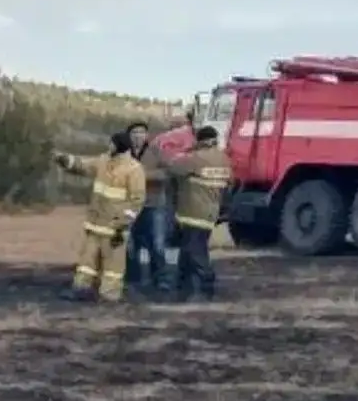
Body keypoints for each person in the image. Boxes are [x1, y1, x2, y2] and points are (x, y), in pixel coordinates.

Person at [56, 131, 146, 304]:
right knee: (87, 262)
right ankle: (81, 288)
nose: (109, 146)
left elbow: (137, 201)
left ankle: (109, 295)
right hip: (95, 224)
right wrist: (66, 161)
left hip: (114, 228)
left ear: (119, 146)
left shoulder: (134, 169)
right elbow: (83, 165)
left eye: (112, 143)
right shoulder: (103, 161)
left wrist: (123, 225)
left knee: (113, 266)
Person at [160, 124, 234, 301]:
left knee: (195, 251)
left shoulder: (195, 158)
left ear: (199, 141)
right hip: (211, 212)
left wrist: (185, 151)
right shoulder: (224, 159)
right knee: (187, 251)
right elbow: (230, 183)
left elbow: (172, 168)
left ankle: (206, 285)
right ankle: (183, 287)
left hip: (193, 213)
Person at [131, 113, 195, 293]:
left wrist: (141, 176)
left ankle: (161, 280)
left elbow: (168, 172)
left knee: (157, 244)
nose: (137, 136)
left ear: (146, 135)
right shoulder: (124, 153)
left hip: (154, 204)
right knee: (131, 244)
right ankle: (134, 280)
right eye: (134, 133)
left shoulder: (155, 151)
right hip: (130, 206)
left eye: (141, 132)